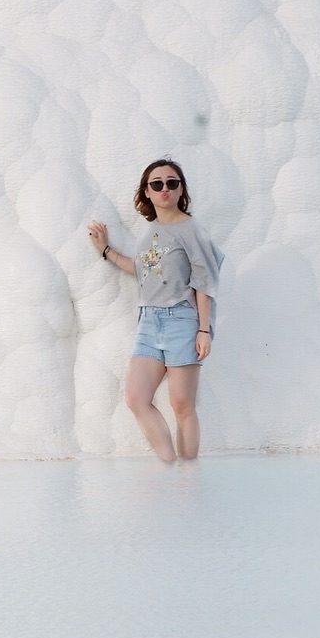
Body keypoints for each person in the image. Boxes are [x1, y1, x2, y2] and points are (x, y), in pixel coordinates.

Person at [87, 159, 224, 462]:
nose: (165, 188)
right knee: (137, 398)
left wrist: (204, 330)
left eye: (172, 183)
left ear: (181, 189)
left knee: (182, 405)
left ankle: (188, 479)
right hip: (149, 321)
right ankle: (169, 467)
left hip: (183, 321)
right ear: (147, 192)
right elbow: (141, 270)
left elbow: (204, 282)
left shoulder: (192, 229)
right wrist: (106, 250)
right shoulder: (149, 231)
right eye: (157, 183)